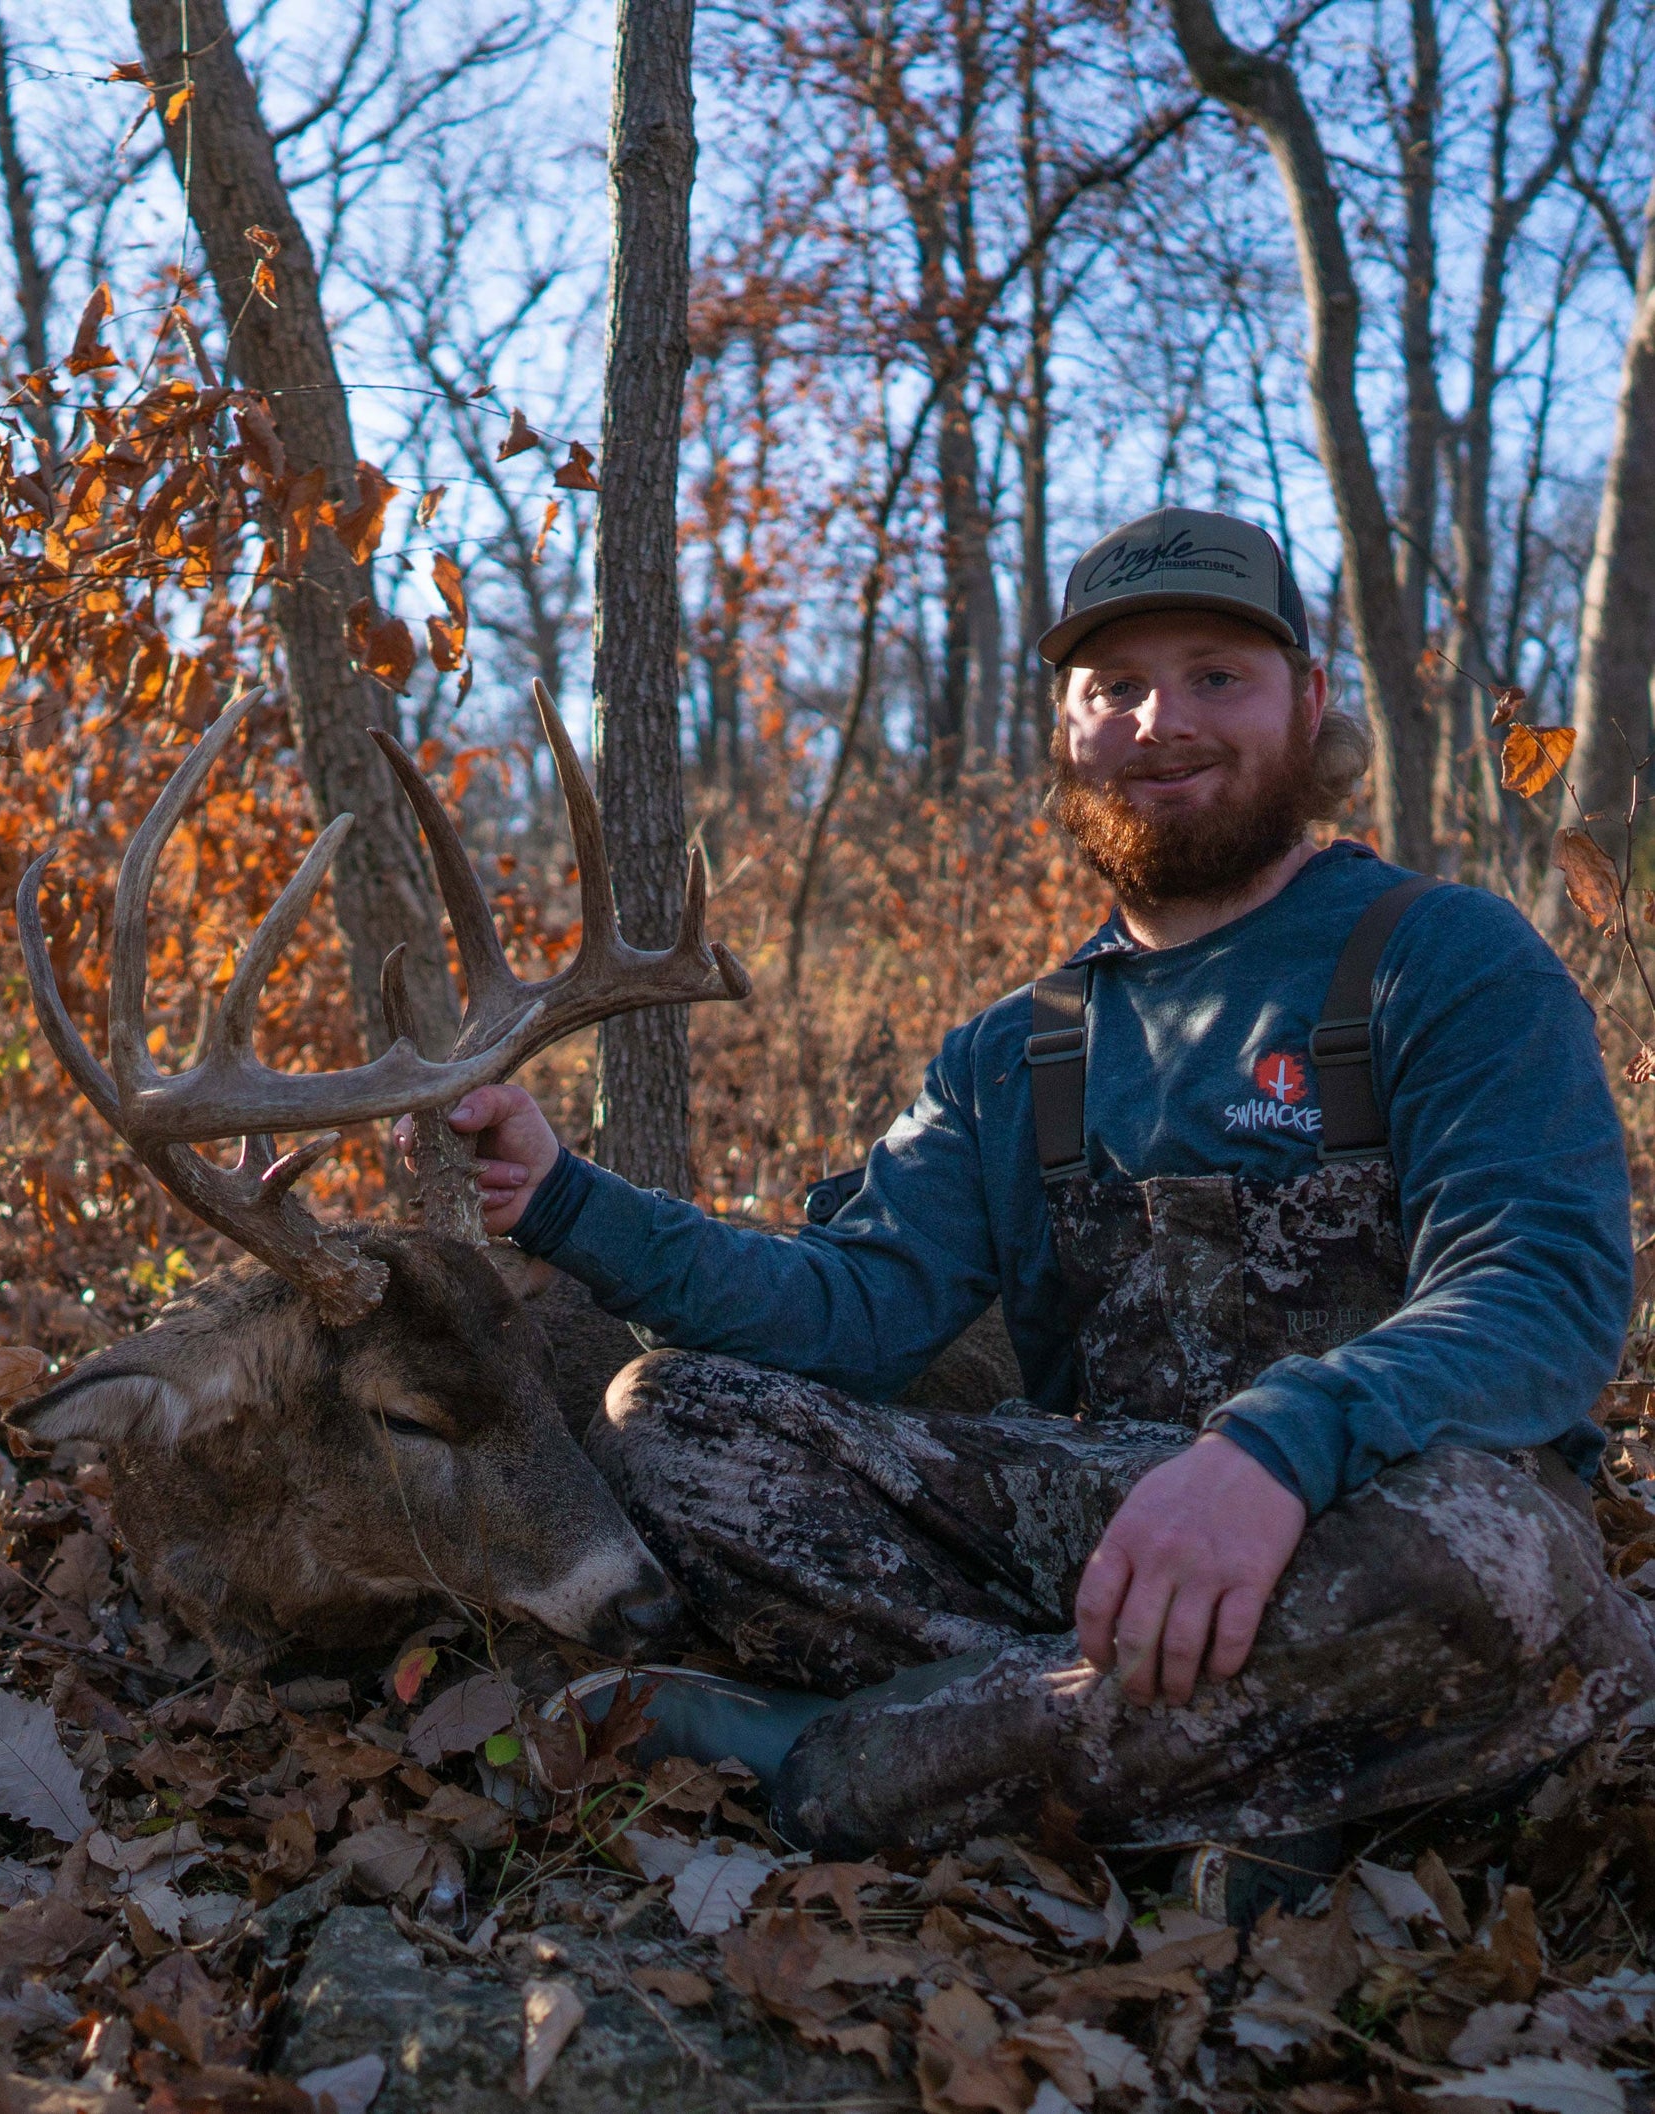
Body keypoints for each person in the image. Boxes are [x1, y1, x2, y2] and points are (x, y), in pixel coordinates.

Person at [406, 506, 1655, 1870]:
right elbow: (857, 1306)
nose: (1156, 720)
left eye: (1213, 676)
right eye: (1111, 686)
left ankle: (835, 1763)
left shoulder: (1444, 956)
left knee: (1486, 1562)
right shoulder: (1020, 1046)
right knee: (671, 1427)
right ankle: (1238, 1772)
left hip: (1387, 1515)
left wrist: (1272, 1451)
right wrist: (567, 1199)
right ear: (1066, 726)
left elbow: (1537, 1288)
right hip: (1114, 1525)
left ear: (1305, 703)